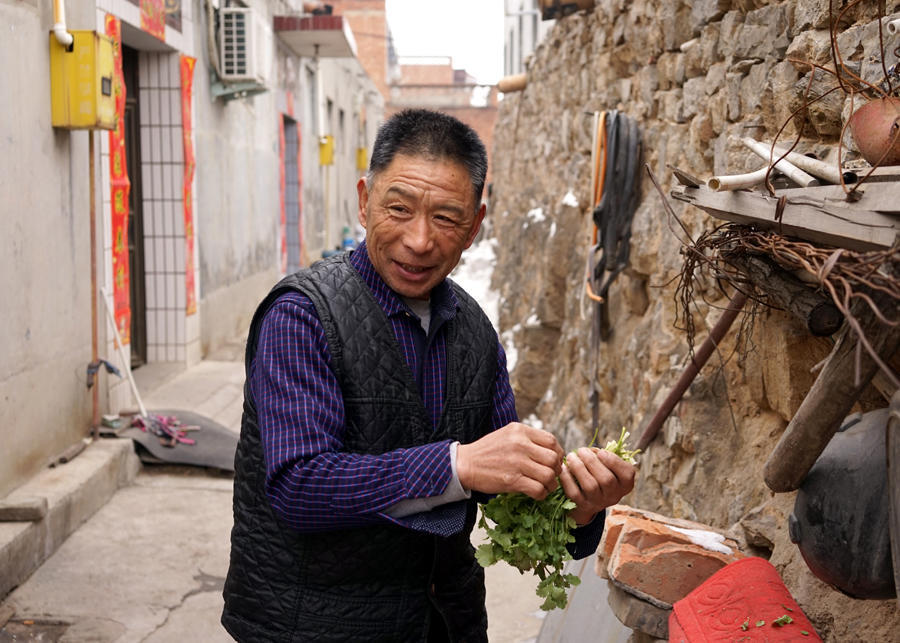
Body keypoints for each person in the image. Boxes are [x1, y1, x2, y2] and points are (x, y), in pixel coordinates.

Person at [221, 109, 636, 642]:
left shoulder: (474, 333)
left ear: (476, 226)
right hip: (312, 627)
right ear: (364, 201)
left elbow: (503, 500)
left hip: (445, 625)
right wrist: (456, 464)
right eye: (399, 208)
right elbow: (298, 486)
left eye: (445, 218)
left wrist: (578, 509)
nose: (419, 240)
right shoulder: (303, 315)